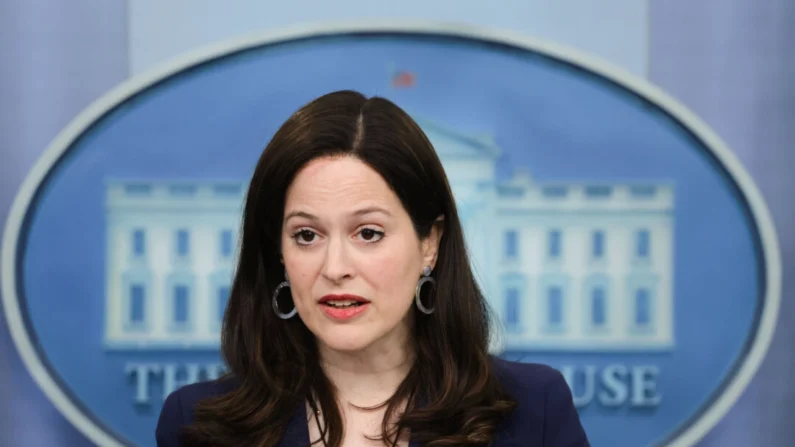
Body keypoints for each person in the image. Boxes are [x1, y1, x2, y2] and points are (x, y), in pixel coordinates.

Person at [155, 90, 589, 447]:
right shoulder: (194, 424)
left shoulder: (534, 411)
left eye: (368, 233)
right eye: (307, 235)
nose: (335, 267)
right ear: (279, 254)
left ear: (429, 243)